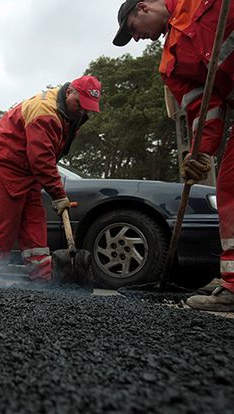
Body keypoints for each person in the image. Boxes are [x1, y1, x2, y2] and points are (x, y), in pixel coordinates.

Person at [113, 0, 234, 311]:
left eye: (133, 31)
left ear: (142, 9)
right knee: (230, 186)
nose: (138, 38)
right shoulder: (171, 63)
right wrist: (200, 153)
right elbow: (203, 110)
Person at [0, 76, 102, 282]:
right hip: (6, 160)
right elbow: (41, 158)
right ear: (69, 91)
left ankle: (42, 278)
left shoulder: (70, 115)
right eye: (79, 104)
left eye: (88, 108)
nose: (82, 111)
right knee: (3, 223)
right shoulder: (44, 112)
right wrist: (58, 194)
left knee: (34, 222)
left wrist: (52, 186)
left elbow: (48, 155)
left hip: (29, 168)